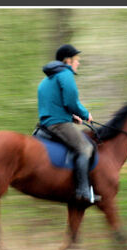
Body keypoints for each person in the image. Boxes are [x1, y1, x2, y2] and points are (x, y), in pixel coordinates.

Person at [37, 44, 99, 203]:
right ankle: (83, 192)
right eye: (77, 60)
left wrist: (72, 117)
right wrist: (85, 114)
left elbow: (53, 104)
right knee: (86, 147)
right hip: (58, 125)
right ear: (68, 60)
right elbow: (71, 101)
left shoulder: (46, 79)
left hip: (45, 125)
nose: (78, 63)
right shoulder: (65, 73)